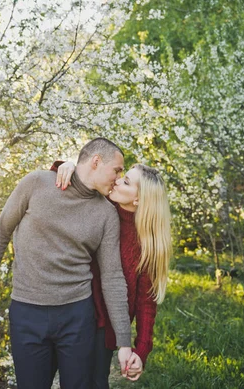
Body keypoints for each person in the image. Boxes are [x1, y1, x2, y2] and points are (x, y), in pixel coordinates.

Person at [0, 138, 134, 389]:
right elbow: (0, 234)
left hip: (77, 316)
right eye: (117, 170)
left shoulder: (106, 213)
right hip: (27, 312)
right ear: (96, 161)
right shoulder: (36, 183)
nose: (117, 177)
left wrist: (125, 342)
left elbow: (112, 277)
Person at [54, 161, 172, 387]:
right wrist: (67, 166)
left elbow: (146, 301)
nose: (117, 180)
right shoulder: (100, 202)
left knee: (96, 382)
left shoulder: (147, 242)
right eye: (121, 176)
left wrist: (142, 349)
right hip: (71, 307)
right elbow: (74, 185)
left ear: (138, 199)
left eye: (126, 181)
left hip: (106, 323)